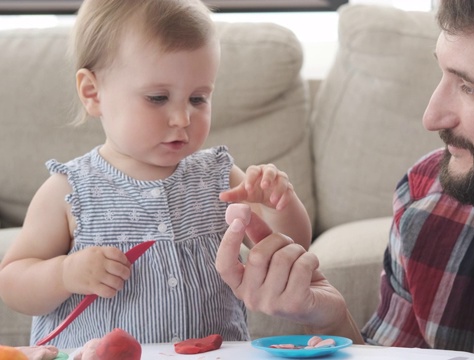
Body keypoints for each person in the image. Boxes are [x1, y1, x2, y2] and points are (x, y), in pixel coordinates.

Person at [215, 0, 474, 359]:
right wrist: (333, 322)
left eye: (470, 87)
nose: (431, 116)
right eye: (443, 73)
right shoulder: (428, 204)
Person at [0, 0, 311, 350]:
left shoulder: (220, 178)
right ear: (93, 93)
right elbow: (12, 282)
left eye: (198, 98)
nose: (182, 118)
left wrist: (278, 206)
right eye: (157, 97)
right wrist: (64, 274)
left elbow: (291, 252)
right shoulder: (69, 191)